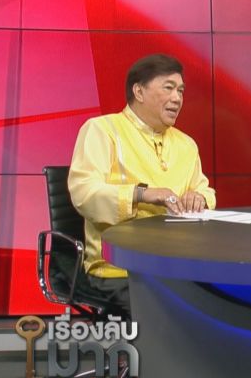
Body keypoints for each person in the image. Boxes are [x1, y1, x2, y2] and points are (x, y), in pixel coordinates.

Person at [68, 54, 216, 309]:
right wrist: (141, 194)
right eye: (168, 88)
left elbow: (204, 188)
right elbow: (84, 193)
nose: (177, 98)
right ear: (139, 91)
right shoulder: (102, 130)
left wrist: (199, 197)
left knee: (220, 300)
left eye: (180, 90)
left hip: (176, 267)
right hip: (118, 270)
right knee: (175, 308)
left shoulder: (186, 144)